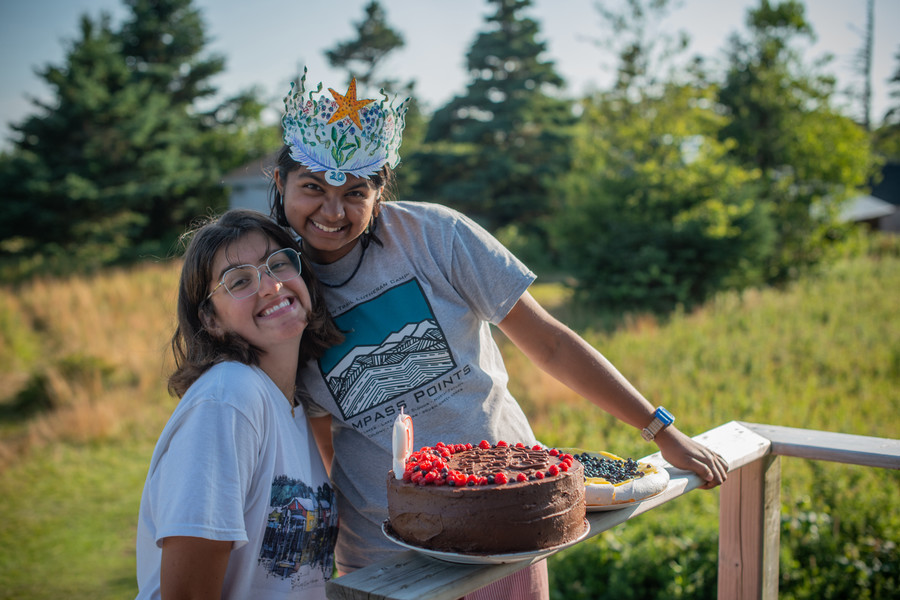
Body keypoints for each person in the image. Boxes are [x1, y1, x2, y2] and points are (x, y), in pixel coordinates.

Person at [270, 71, 729, 599]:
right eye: (312, 188)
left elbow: (551, 344)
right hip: (384, 555)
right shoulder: (275, 292)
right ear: (281, 183)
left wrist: (661, 432)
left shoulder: (435, 236)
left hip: (510, 523)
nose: (332, 211)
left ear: (380, 190)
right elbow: (317, 436)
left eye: (355, 192)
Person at [135, 209, 344, 599]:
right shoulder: (229, 399)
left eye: (278, 264)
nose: (270, 287)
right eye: (240, 281)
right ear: (211, 320)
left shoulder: (295, 406)